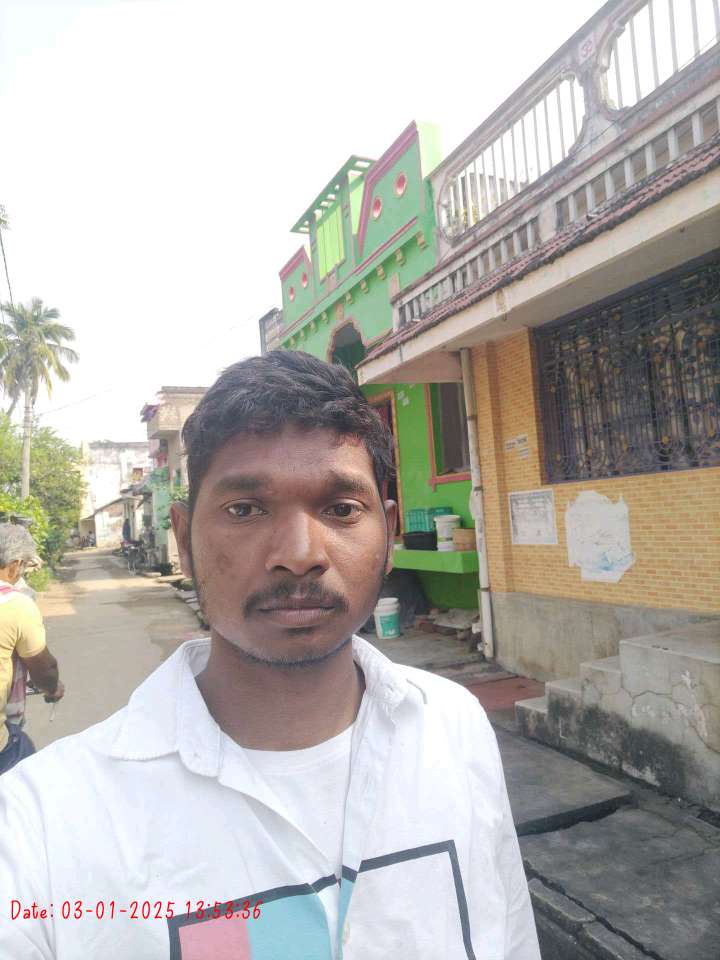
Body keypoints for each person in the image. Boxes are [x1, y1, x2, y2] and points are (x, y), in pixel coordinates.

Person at [0, 352, 540, 959]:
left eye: (341, 509)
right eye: (245, 510)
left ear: (387, 533)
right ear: (184, 539)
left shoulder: (453, 725)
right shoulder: (43, 825)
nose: (300, 554)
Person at [0, 525, 65, 777]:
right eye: (24, 566)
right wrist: (52, 688)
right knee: (30, 777)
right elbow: (44, 668)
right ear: (15, 564)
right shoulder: (16, 604)